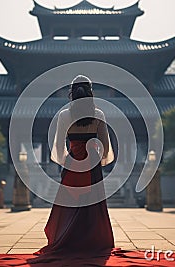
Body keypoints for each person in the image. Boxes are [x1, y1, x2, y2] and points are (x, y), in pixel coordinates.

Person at [34, 75, 115, 258]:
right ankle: (94, 240)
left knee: (69, 203)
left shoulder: (64, 115)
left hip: (73, 163)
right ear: (90, 92)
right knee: (92, 204)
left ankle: (66, 238)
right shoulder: (98, 114)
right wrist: (99, 158)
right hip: (92, 165)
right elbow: (105, 146)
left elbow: (58, 146)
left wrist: (68, 162)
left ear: (72, 93)